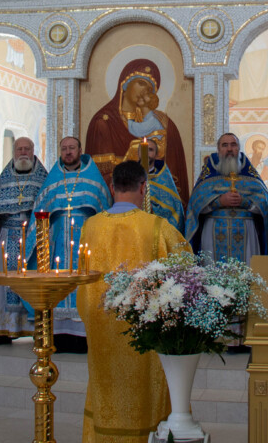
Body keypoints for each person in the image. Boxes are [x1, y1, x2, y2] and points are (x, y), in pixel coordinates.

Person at [78, 161, 189, 443]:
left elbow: (81, 282)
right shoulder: (157, 227)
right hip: (145, 332)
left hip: (102, 328)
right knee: (145, 392)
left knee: (106, 388)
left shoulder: (90, 227)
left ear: (111, 187)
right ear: (143, 188)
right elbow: (185, 270)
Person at [30, 136, 110, 350]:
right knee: (58, 284)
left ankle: (83, 337)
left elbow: (104, 210)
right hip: (58, 241)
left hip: (85, 240)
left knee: (83, 284)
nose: (68, 152)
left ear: (80, 150)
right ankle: (58, 335)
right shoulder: (54, 178)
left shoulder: (93, 176)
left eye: (71, 148)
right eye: (64, 148)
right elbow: (40, 210)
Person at [85, 58, 190, 203]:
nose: (144, 91)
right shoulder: (103, 122)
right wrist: (130, 157)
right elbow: (100, 176)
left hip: (154, 201)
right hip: (119, 202)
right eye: (141, 83)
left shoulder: (161, 122)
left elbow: (172, 171)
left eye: (149, 89)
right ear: (125, 83)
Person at [0, 136, 46, 344]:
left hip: (33, 239)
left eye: (26, 149)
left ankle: (35, 329)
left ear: (33, 151)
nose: (23, 152)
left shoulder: (43, 178)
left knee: (32, 284)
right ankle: (3, 330)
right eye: (19, 149)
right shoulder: (4, 179)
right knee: (4, 286)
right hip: (7, 237)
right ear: (13, 152)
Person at [185, 132, 268, 265]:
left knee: (247, 272)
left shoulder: (251, 176)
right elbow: (194, 206)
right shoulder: (209, 175)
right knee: (213, 273)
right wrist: (218, 202)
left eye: (233, 145)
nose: (229, 149)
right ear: (218, 149)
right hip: (213, 230)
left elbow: (266, 206)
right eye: (225, 145)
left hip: (246, 231)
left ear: (239, 148)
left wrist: (245, 202)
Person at [144, 137, 185, 233]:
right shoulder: (131, 175)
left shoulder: (164, 176)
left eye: (150, 150)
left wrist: (154, 209)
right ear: (138, 153)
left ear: (156, 154)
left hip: (159, 230)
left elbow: (174, 207)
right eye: (143, 150)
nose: (146, 153)